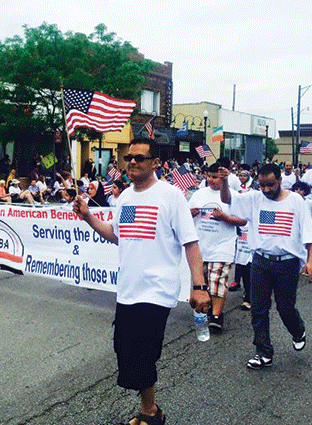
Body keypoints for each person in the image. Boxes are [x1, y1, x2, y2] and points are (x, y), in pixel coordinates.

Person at [73, 137, 209, 425]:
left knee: (145, 353)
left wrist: (199, 287)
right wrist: (87, 217)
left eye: (139, 158)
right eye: (128, 158)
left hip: (157, 290)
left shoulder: (171, 196)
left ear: (155, 163)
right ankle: (150, 409)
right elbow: (115, 234)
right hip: (128, 290)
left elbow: (191, 243)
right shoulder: (125, 198)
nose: (132, 162)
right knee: (125, 351)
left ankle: (150, 415)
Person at [220, 163, 312, 370]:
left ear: (280, 180)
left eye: (270, 185)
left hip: (287, 263)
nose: (266, 190)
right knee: (258, 308)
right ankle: (263, 352)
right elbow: (227, 199)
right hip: (260, 261)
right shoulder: (255, 198)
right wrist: (224, 181)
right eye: (262, 185)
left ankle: (297, 330)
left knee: (285, 306)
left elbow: (309, 232)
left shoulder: (296, 201)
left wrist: (310, 261)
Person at [188, 163, 247, 332]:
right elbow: (185, 215)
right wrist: (189, 213)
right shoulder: (198, 194)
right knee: (202, 282)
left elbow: (243, 220)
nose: (211, 180)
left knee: (218, 281)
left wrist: (225, 217)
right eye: (208, 176)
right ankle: (205, 310)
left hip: (222, 246)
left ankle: (216, 316)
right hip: (200, 246)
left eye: (215, 177)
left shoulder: (233, 196)